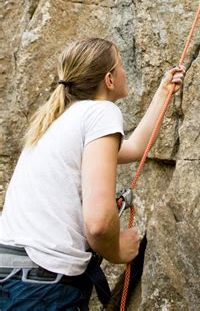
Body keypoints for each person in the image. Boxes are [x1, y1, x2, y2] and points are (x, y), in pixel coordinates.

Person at [0, 38, 185, 309]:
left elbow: (134, 148)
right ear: (109, 79)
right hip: (41, 286)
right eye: (121, 66)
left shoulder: (59, 119)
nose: (125, 72)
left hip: (11, 273)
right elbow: (97, 224)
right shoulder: (101, 112)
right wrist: (118, 250)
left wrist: (162, 93)